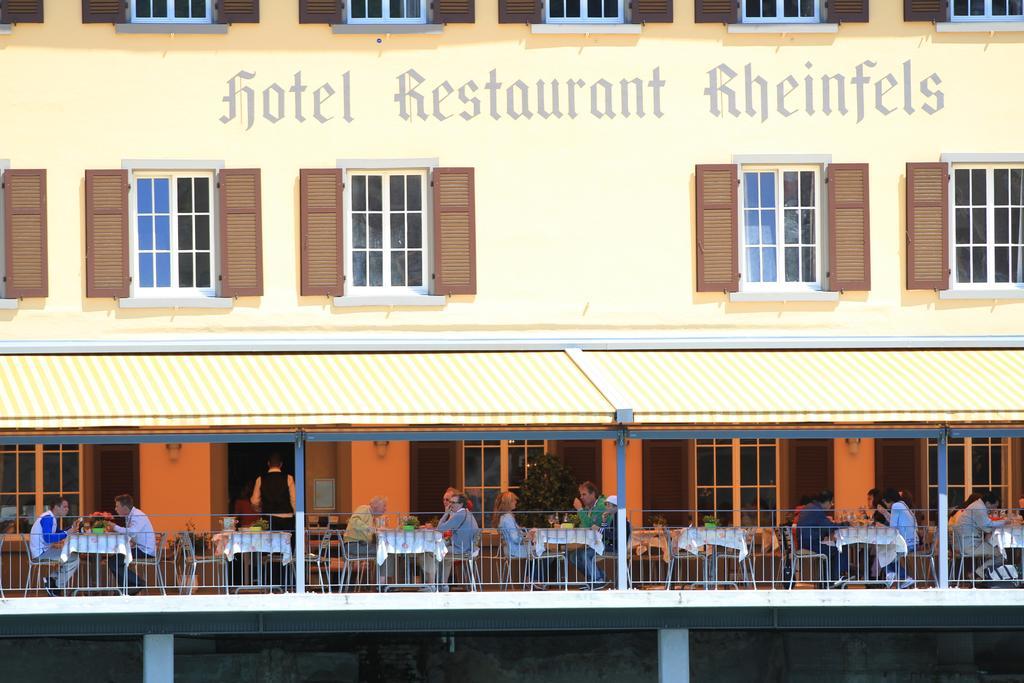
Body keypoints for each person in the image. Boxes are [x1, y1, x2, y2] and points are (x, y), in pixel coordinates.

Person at [420, 490, 479, 590]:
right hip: (468, 548)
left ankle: (431, 585)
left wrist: (446, 513)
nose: (450, 504)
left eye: (453, 502)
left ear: (460, 504)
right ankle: (442, 584)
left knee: (430, 552)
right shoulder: (467, 513)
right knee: (441, 553)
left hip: (461, 549)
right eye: (450, 502)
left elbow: (440, 528)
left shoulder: (459, 515)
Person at [796, 489, 849, 588]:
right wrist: (846, 524)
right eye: (832, 502)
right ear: (827, 501)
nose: (832, 505)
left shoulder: (811, 507)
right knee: (839, 549)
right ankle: (837, 581)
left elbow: (823, 525)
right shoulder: (816, 510)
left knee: (831, 550)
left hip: (805, 542)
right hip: (810, 543)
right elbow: (829, 526)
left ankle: (828, 581)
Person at [495, 491, 549, 584]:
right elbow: (516, 539)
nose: (515, 502)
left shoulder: (504, 517)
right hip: (515, 549)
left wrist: (524, 533)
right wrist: (527, 536)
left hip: (511, 549)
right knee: (543, 552)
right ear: (508, 503)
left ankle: (530, 578)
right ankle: (534, 580)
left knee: (537, 551)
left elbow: (514, 535)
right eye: (513, 501)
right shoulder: (508, 518)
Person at [29, 497, 79, 596]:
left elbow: (59, 532)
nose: (67, 509)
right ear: (56, 507)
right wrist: (66, 533)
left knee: (70, 556)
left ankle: (52, 580)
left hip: (43, 551)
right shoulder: (48, 518)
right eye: (64, 506)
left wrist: (71, 528)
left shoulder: (51, 517)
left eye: (67, 507)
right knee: (74, 558)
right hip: (41, 553)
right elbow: (48, 538)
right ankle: (56, 586)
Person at [108, 494, 156, 595]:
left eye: (117, 506)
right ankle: (125, 589)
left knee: (115, 560)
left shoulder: (137, 515)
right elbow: (133, 534)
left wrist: (115, 527)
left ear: (125, 507)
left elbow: (132, 532)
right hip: (140, 547)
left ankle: (136, 583)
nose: (115, 509)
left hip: (145, 551)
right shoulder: (131, 515)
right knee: (116, 559)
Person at [952, 488, 1006, 579]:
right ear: (988, 503)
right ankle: (978, 574)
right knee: (1001, 555)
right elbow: (987, 527)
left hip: (965, 543)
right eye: (994, 507)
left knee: (994, 549)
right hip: (969, 545)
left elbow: (986, 527)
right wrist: (1004, 522)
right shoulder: (979, 508)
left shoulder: (977, 505)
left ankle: (982, 576)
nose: (995, 509)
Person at [569, 481, 608, 588]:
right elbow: (585, 526)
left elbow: (590, 525)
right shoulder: (589, 508)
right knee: (573, 556)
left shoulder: (601, 506)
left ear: (593, 494)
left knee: (584, 555)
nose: (581, 497)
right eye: (581, 495)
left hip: (607, 542)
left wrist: (580, 509)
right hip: (594, 542)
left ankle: (597, 580)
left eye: (584, 494)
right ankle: (597, 577)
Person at [877, 488, 917, 589]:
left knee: (883, 549)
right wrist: (885, 513)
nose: (886, 505)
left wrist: (881, 526)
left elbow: (893, 528)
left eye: (885, 502)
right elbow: (896, 524)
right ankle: (897, 575)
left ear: (888, 500)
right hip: (912, 541)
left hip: (906, 543)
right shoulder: (902, 504)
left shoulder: (895, 506)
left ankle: (893, 575)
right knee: (888, 552)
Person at [251, 453, 296, 536]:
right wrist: (296, 513)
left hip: (268, 517)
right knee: (286, 545)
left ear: (268, 464)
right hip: (286, 517)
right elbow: (294, 499)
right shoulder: (289, 478)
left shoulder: (260, 479)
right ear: (281, 464)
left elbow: (254, 501)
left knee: (268, 545)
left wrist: (260, 510)